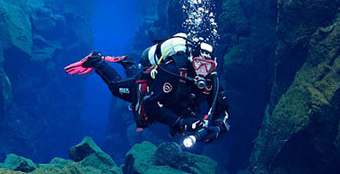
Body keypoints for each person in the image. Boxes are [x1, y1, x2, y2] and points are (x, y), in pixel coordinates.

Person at [64, 33, 230, 147]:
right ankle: (96, 60)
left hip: (167, 99)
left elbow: (222, 112)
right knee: (117, 88)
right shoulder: (173, 71)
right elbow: (150, 104)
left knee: (134, 74)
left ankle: (127, 62)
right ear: (190, 60)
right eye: (198, 64)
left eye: (208, 66)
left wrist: (218, 127)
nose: (202, 70)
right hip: (146, 89)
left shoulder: (211, 80)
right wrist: (181, 123)